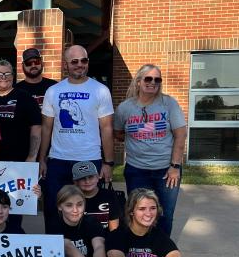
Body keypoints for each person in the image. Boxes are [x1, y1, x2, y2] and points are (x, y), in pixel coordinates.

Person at [39, 45, 115, 231]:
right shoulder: (53, 91)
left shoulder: (100, 90)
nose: (80, 65)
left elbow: (106, 128)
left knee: (86, 210)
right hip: (58, 160)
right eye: (74, 61)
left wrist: (108, 163)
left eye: (84, 60)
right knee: (52, 209)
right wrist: (42, 159)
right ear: (66, 65)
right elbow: (47, 128)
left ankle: (86, 250)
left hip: (89, 158)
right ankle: (54, 251)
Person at [114, 64, 187, 235]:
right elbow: (118, 132)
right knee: (137, 213)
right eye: (148, 78)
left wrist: (175, 167)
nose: (153, 82)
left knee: (164, 215)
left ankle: (160, 251)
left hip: (166, 171)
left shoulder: (168, 104)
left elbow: (181, 135)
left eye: (157, 79)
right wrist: (138, 139)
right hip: (136, 170)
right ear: (138, 82)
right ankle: (139, 250)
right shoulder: (125, 108)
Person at [0, 59, 41, 163]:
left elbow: (36, 128)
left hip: (19, 161)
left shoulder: (25, 98)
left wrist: (32, 156)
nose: (3, 77)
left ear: (12, 77)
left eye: (8, 74)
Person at [72, 161, 122, 231]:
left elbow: (114, 229)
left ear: (98, 177)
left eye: (91, 177)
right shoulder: (71, 198)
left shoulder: (109, 195)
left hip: (106, 239)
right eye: (82, 178)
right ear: (75, 182)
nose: (87, 181)